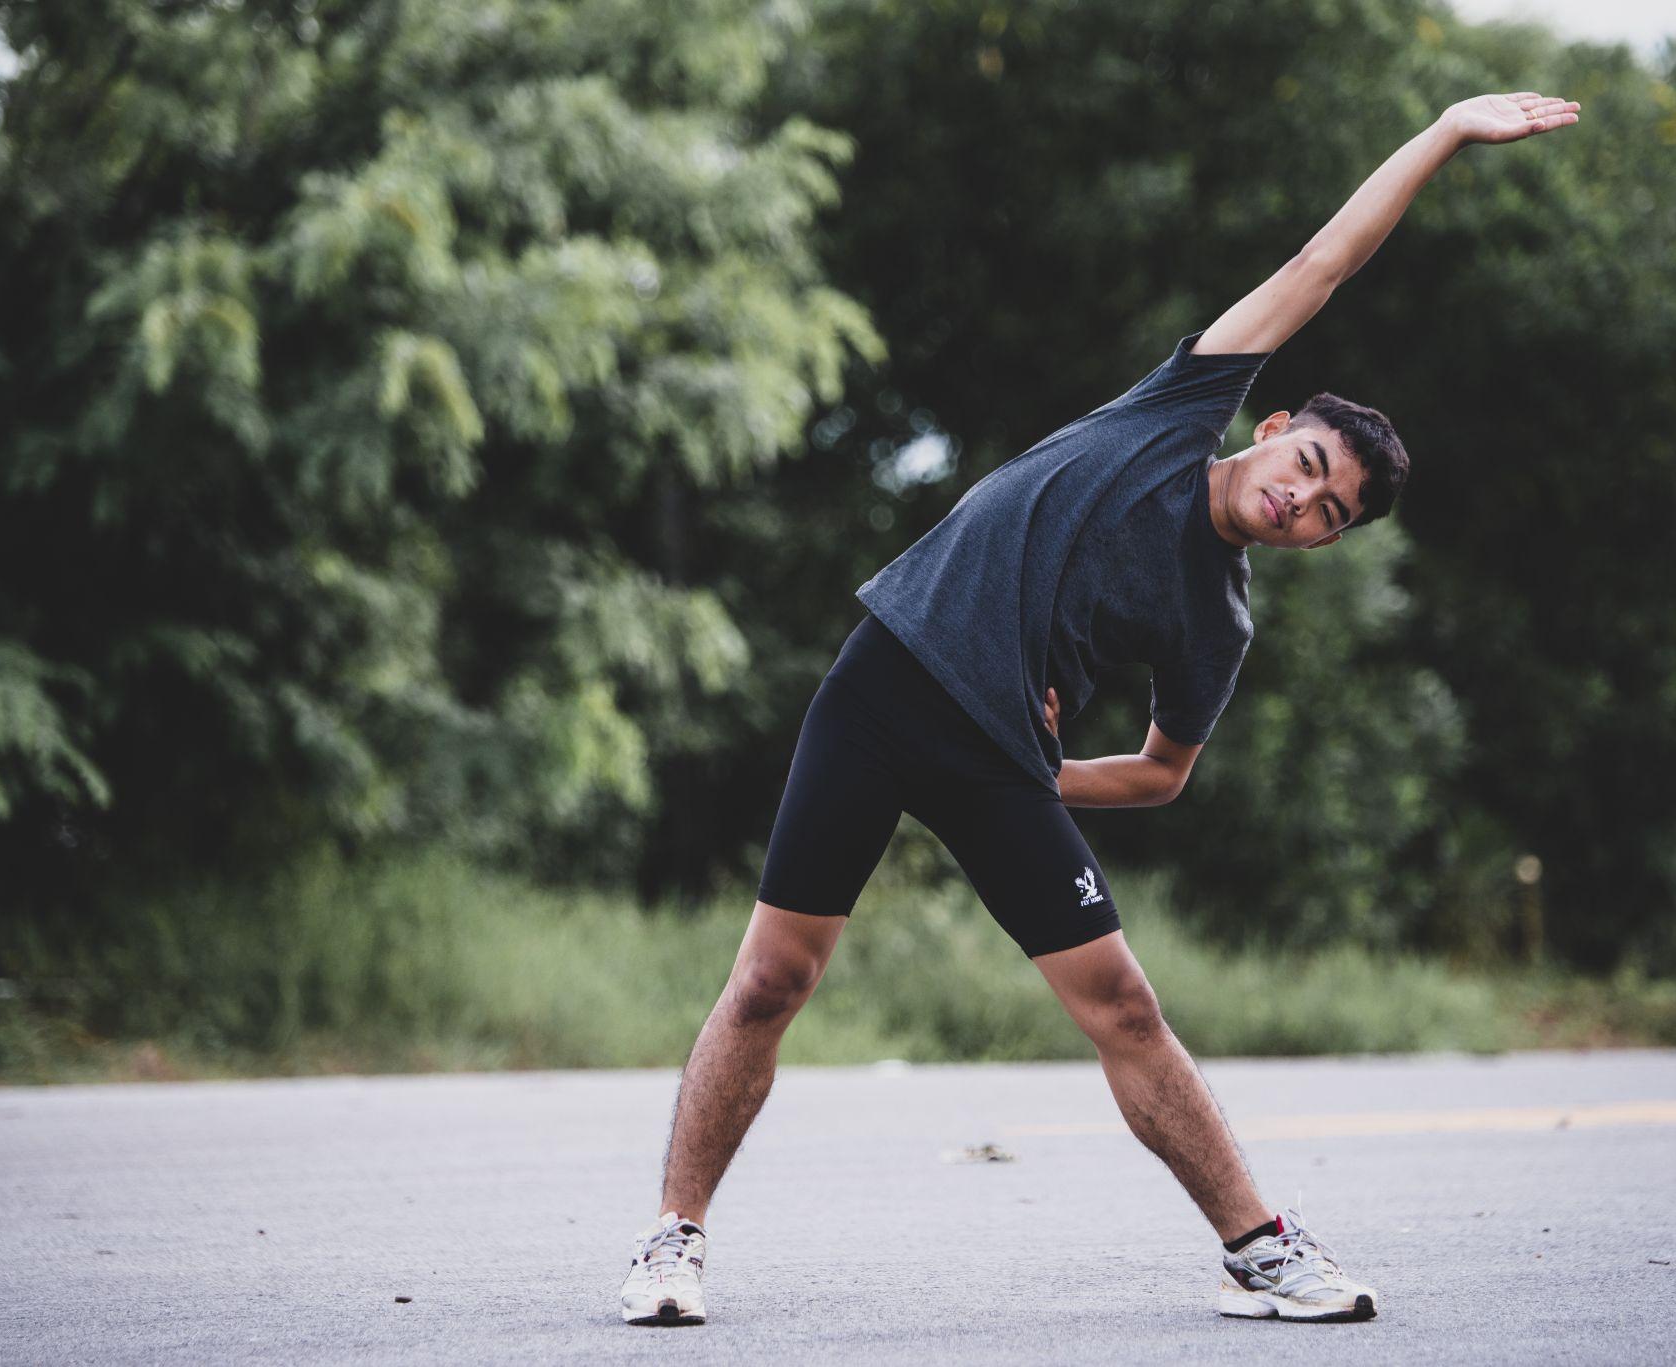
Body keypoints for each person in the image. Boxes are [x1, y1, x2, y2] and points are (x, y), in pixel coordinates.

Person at [619, 90, 1581, 1328]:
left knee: (1124, 1005)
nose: (1303, 502)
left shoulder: (1216, 619)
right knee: (768, 980)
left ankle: (1258, 1248)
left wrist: (1047, 775)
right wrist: (1444, 132)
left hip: (996, 759)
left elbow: (1164, 771)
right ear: (1271, 429)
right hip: (886, 683)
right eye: (1307, 468)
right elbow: (1321, 264)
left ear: (1327, 540)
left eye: (1329, 512)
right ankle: (672, 1241)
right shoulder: (1175, 410)